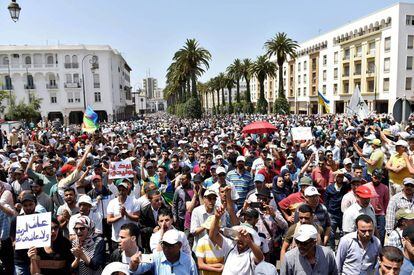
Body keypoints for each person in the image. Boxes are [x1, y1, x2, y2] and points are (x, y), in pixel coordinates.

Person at [209, 205, 264, 275]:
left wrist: (249, 242)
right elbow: (212, 236)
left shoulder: (251, 254)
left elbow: (260, 257)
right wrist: (216, 218)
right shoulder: (230, 246)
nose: (241, 238)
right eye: (239, 234)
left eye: (245, 236)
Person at [129, 229, 198, 275]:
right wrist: (133, 264)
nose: (166, 249)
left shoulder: (189, 261)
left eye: (170, 245)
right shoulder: (156, 257)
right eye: (164, 244)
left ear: (179, 245)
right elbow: (136, 271)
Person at [107, 180, 140, 251]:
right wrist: (120, 216)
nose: (121, 192)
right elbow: (109, 220)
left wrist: (126, 214)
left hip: (131, 238)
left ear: (127, 190)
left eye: (123, 190)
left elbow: (137, 218)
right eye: (119, 190)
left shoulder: (134, 201)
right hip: (117, 238)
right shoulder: (112, 203)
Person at [324, 170, 350, 249]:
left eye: (341, 177)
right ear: (335, 178)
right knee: (331, 233)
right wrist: (328, 212)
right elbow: (326, 201)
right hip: (332, 214)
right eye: (338, 176)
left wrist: (344, 173)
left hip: (342, 214)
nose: (340, 178)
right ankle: (332, 249)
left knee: (343, 233)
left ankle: (341, 248)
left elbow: (352, 179)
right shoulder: (329, 188)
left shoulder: (345, 186)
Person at [364, 168, 389, 244]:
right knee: (368, 232)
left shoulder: (385, 188)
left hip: (380, 214)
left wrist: (385, 213)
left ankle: (379, 248)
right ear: (372, 176)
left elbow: (386, 201)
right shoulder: (366, 187)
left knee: (381, 234)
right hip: (369, 212)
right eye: (375, 178)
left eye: (379, 178)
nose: (377, 180)